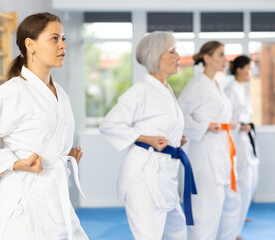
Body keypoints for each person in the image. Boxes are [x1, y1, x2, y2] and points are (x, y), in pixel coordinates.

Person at [0, 12, 88, 240]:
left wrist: (65, 157)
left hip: (55, 201)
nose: (62, 45)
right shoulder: (13, 91)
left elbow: (45, 141)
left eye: (63, 38)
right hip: (23, 206)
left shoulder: (62, 95)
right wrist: (14, 163)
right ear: (31, 45)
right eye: (54, 38)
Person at [100, 31, 197, 240]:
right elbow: (109, 125)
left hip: (165, 173)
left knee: (177, 230)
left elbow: (160, 126)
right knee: (149, 235)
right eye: (172, 51)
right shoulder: (140, 90)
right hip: (143, 175)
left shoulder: (166, 90)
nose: (178, 57)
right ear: (155, 56)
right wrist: (145, 138)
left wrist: (175, 139)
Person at [178, 41, 241, 240]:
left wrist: (228, 124)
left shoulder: (215, 84)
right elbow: (180, 116)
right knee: (206, 212)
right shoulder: (197, 85)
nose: (226, 59)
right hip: (204, 154)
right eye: (221, 54)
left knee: (231, 203)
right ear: (207, 58)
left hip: (222, 151)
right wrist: (205, 126)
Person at [224, 55, 259, 239]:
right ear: (239, 69)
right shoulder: (230, 89)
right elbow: (226, 118)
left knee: (252, 182)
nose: (251, 72)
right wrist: (240, 125)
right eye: (249, 68)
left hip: (247, 136)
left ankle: (241, 216)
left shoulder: (242, 88)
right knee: (243, 183)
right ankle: (233, 229)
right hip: (238, 138)